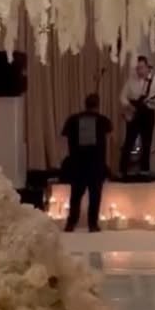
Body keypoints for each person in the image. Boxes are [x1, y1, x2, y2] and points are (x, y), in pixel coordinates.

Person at [61, 93, 112, 232]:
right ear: (98, 105)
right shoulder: (103, 120)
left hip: (78, 164)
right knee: (95, 196)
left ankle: (71, 223)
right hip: (96, 164)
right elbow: (109, 131)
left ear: (85, 104)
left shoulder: (72, 120)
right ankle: (93, 225)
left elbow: (64, 136)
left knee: (75, 196)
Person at [118, 55, 155, 176]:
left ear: (147, 67)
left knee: (147, 142)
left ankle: (144, 169)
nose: (139, 71)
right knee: (129, 141)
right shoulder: (131, 80)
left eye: (141, 68)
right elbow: (122, 96)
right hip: (134, 111)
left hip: (148, 112)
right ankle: (122, 170)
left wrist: (153, 102)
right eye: (137, 68)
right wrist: (129, 106)